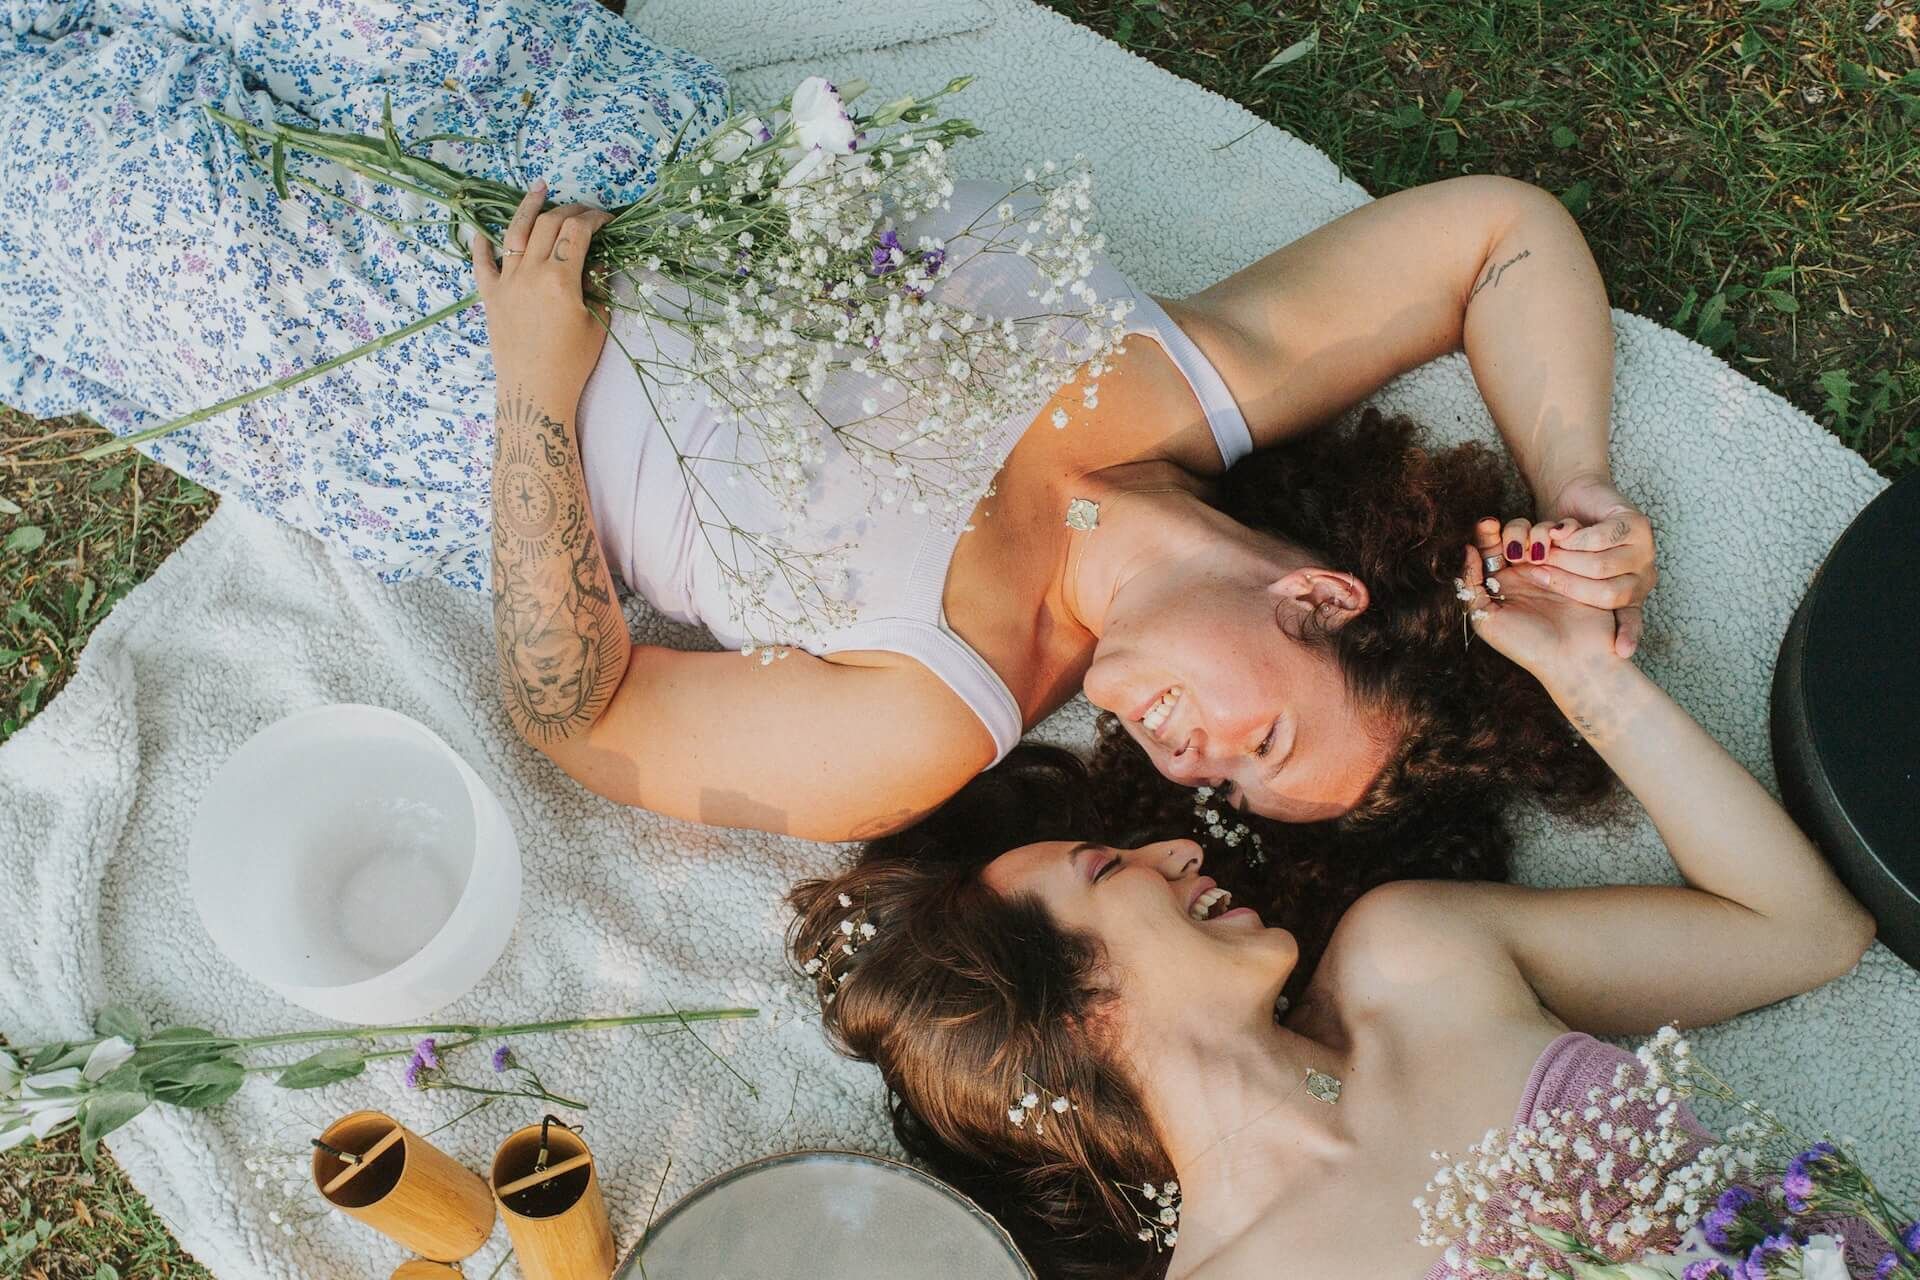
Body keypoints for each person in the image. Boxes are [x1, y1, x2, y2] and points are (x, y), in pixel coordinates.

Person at [1, 0, 1657, 843]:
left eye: (1220, 793)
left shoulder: (934, 714)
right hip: (565, 117)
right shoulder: (1193, 378)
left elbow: (578, 715)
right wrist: (1579, 488)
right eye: (1265, 740)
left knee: (61, 144)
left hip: (409, 363)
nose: (1189, 762)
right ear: (1319, 598)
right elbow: (1499, 233)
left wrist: (531, 382)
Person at [785, 527, 1876, 1280]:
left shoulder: (1415, 957)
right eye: (1110, 870)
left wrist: (1584, 676)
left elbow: (1806, 929)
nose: (1172, 843)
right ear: (1072, 1014)